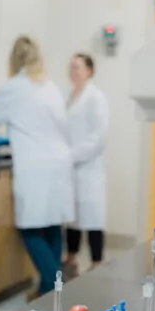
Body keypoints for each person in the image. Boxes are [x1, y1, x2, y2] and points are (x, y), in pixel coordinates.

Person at [0, 36, 74, 296]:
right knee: (52, 226)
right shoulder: (50, 87)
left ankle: (54, 287)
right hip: (59, 165)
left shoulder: (16, 87)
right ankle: (51, 288)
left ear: (14, 60)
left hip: (36, 167)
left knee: (30, 227)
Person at [64, 53, 109, 274]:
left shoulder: (96, 97)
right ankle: (71, 258)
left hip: (89, 167)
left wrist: (73, 154)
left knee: (92, 217)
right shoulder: (68, 96)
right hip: (70, 167)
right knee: (72, 217)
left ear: (89, 70)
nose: (73, 71)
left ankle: (97, 262)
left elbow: (98, 137)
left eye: (77, 67)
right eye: (71, 67)